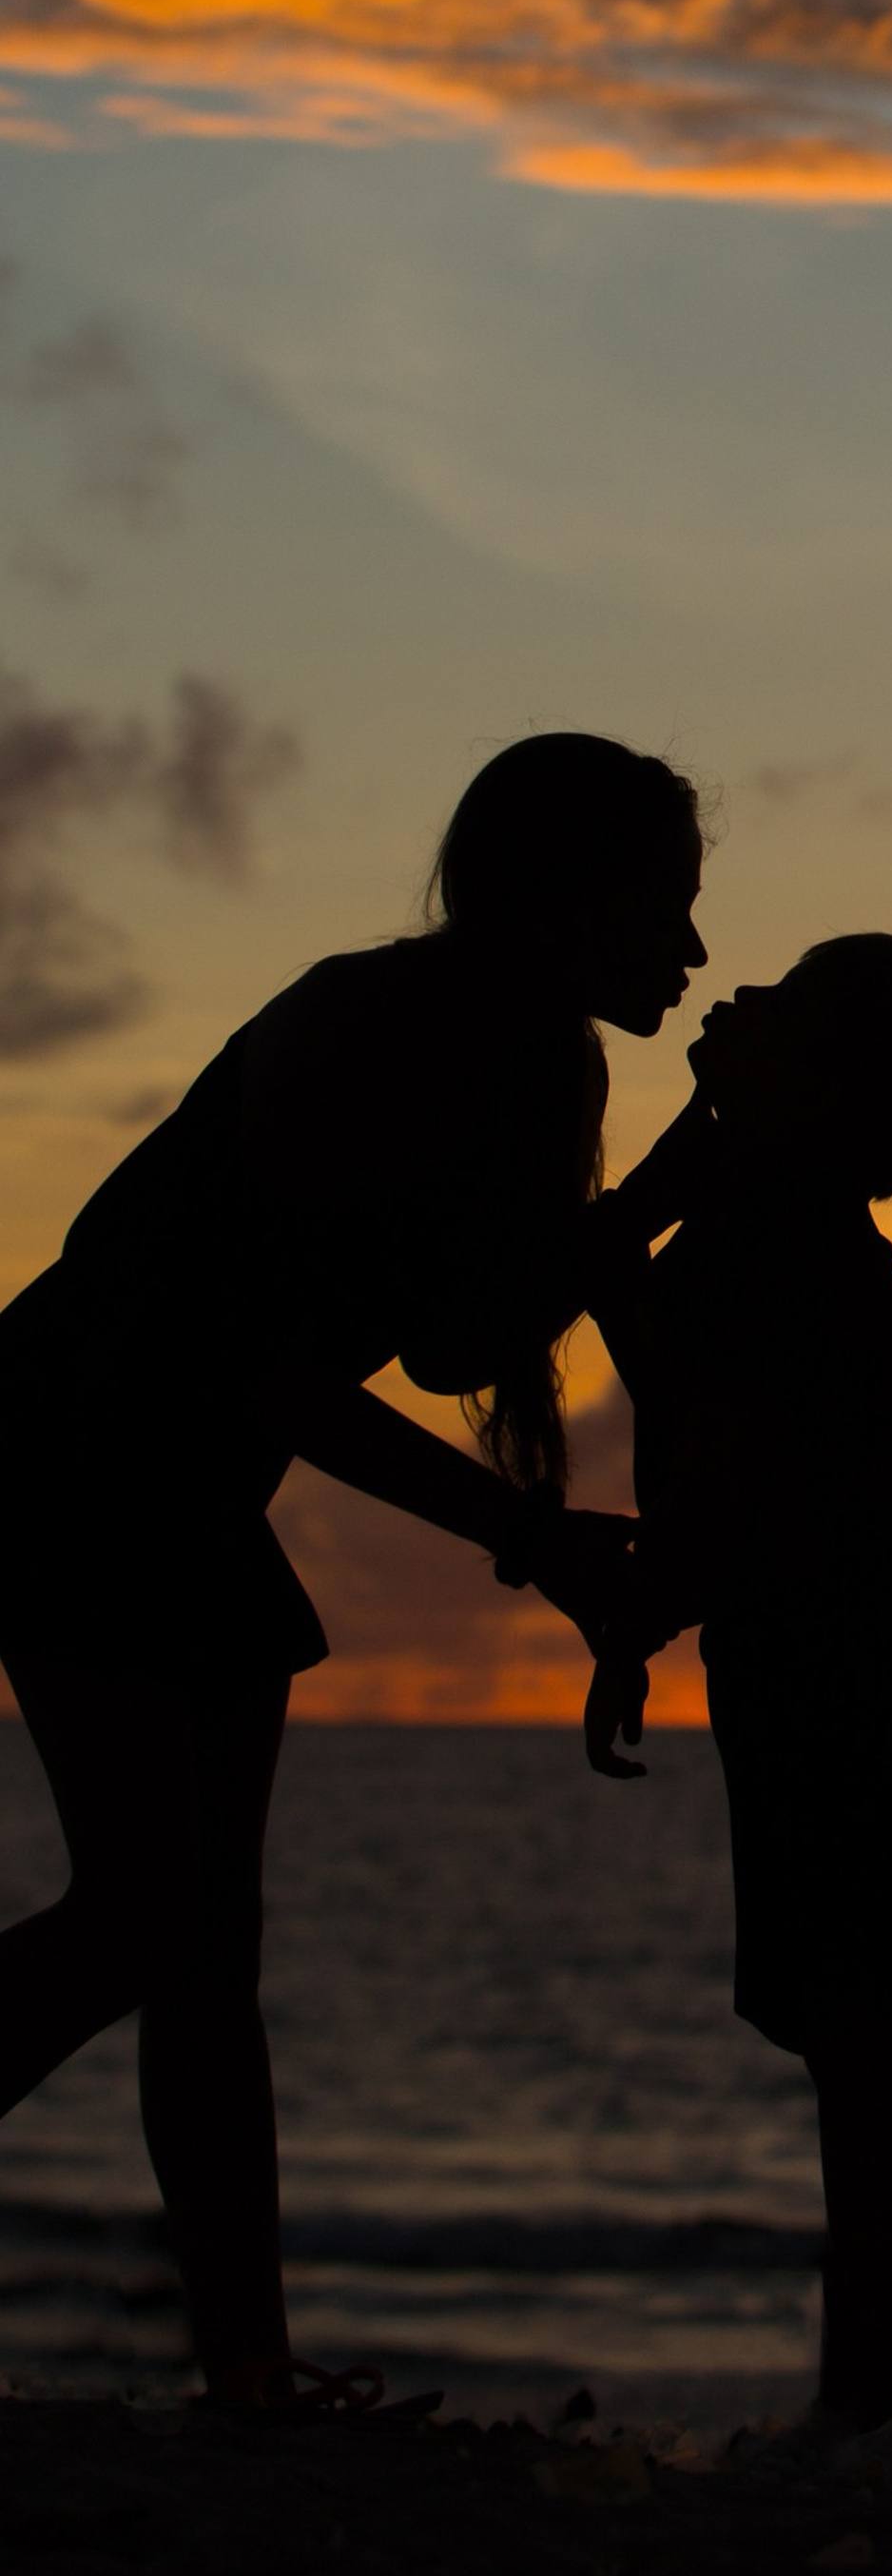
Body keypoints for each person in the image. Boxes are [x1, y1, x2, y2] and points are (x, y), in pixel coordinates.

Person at [0, 731, 714, 2412]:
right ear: (559, 900)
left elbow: (469, 1336)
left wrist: (670, 1185)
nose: (689, 954)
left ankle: (247, 2373)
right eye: (664, 911)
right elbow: (270, 1374)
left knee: (200, 1948)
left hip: (181, 1489)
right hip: (63, 1459)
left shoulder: (546, 1065)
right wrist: (533, 1544)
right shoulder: (360, 1029)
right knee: (150, 1920)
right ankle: (245, 2368)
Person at [583, 934, 892, 2430]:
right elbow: (685, 1402)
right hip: (812, 1647)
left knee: (888, 2042)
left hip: (832, 1648)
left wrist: (641, 1608)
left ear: (822, 1083)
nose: (731, 997)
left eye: (777, 1003)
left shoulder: (785, 1235)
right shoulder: (761, 1213)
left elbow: (734, 1460)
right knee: (886, 2032)